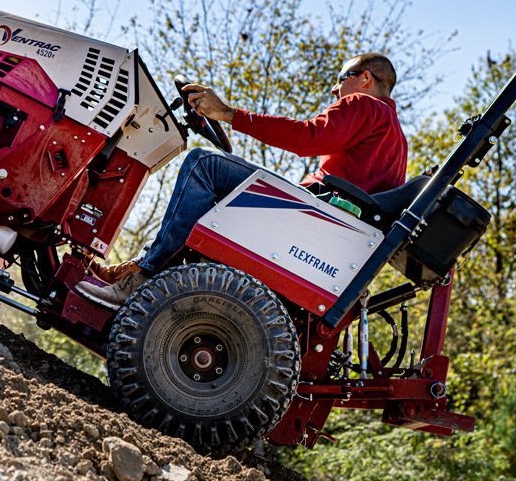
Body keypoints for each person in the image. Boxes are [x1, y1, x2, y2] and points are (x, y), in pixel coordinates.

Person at [76, 53, 408, 309]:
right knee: (220, 189)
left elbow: (307, 137)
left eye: (341, 78)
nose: (335, 89)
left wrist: (229, 114)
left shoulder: (364, 105)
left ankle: (145, 276)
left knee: (204, 164)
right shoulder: (396, 138)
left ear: (365, 78)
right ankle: (142, 267)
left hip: (314, 220)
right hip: (334, 237)